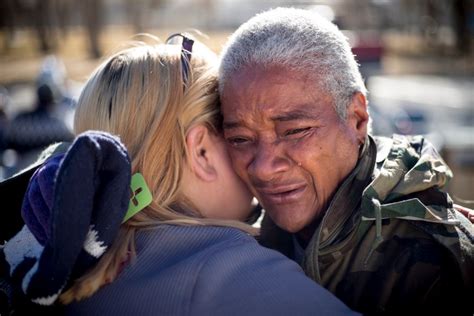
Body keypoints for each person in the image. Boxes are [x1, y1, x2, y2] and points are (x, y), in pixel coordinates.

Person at [2, 36, 356, 315]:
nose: (260, 163)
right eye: (237, 134)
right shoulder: (234, 276)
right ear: (201, 151)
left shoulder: (69, 263)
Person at [218, 7, 474, 315]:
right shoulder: (240, 237)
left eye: (294, 132)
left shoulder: (432, 260)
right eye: (240, 139)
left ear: (356, 118)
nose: (264, 167)